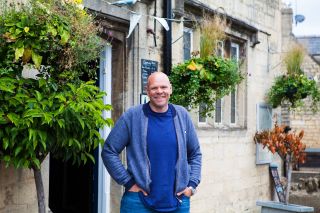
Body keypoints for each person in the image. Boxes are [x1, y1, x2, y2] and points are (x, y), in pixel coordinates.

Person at [101, 71, 202, 213]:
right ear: (147, 91)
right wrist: (128, 182)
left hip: (178, 202)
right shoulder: (132, 116)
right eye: (154, 88)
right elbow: (109, 151)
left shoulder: (182, 115)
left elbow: (195, 153)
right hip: (138, 203)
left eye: (164, 87)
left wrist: (192, 185)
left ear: (170, 89)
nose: (159, 91)